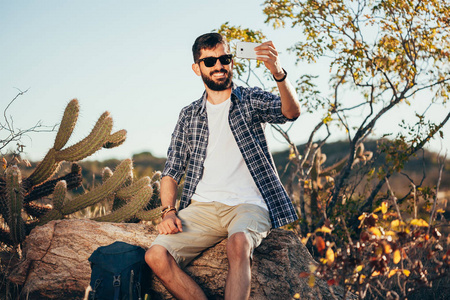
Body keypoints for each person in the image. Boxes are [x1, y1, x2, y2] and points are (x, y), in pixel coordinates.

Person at [145, 32, 301, 300]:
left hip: (249, 205)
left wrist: (278, 73)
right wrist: (168, 212)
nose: (219, 65)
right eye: (210, 61)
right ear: (197, 68)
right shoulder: (188, 115)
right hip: (202, 208)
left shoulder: (249, 99)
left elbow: (290, 112)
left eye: (224, 58)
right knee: (155, 256)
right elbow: (171, 170)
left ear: (231, 61)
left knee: (238, 243)